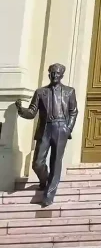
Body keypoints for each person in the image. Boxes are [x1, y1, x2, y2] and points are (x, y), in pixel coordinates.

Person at [15, 63, 78, 208]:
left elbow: (73, 111)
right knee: (37, 162)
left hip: (61, 127)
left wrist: (68, 128)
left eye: (57, 73)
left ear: (62, 75)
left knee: (56, 161)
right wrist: (21, 110)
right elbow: (32, 112)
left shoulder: (69, 91)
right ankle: (44, 180)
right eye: (52, 73)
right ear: (48, 74)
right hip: (45, 128)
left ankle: (49, 195)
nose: (54, 75)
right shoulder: (40, 92)